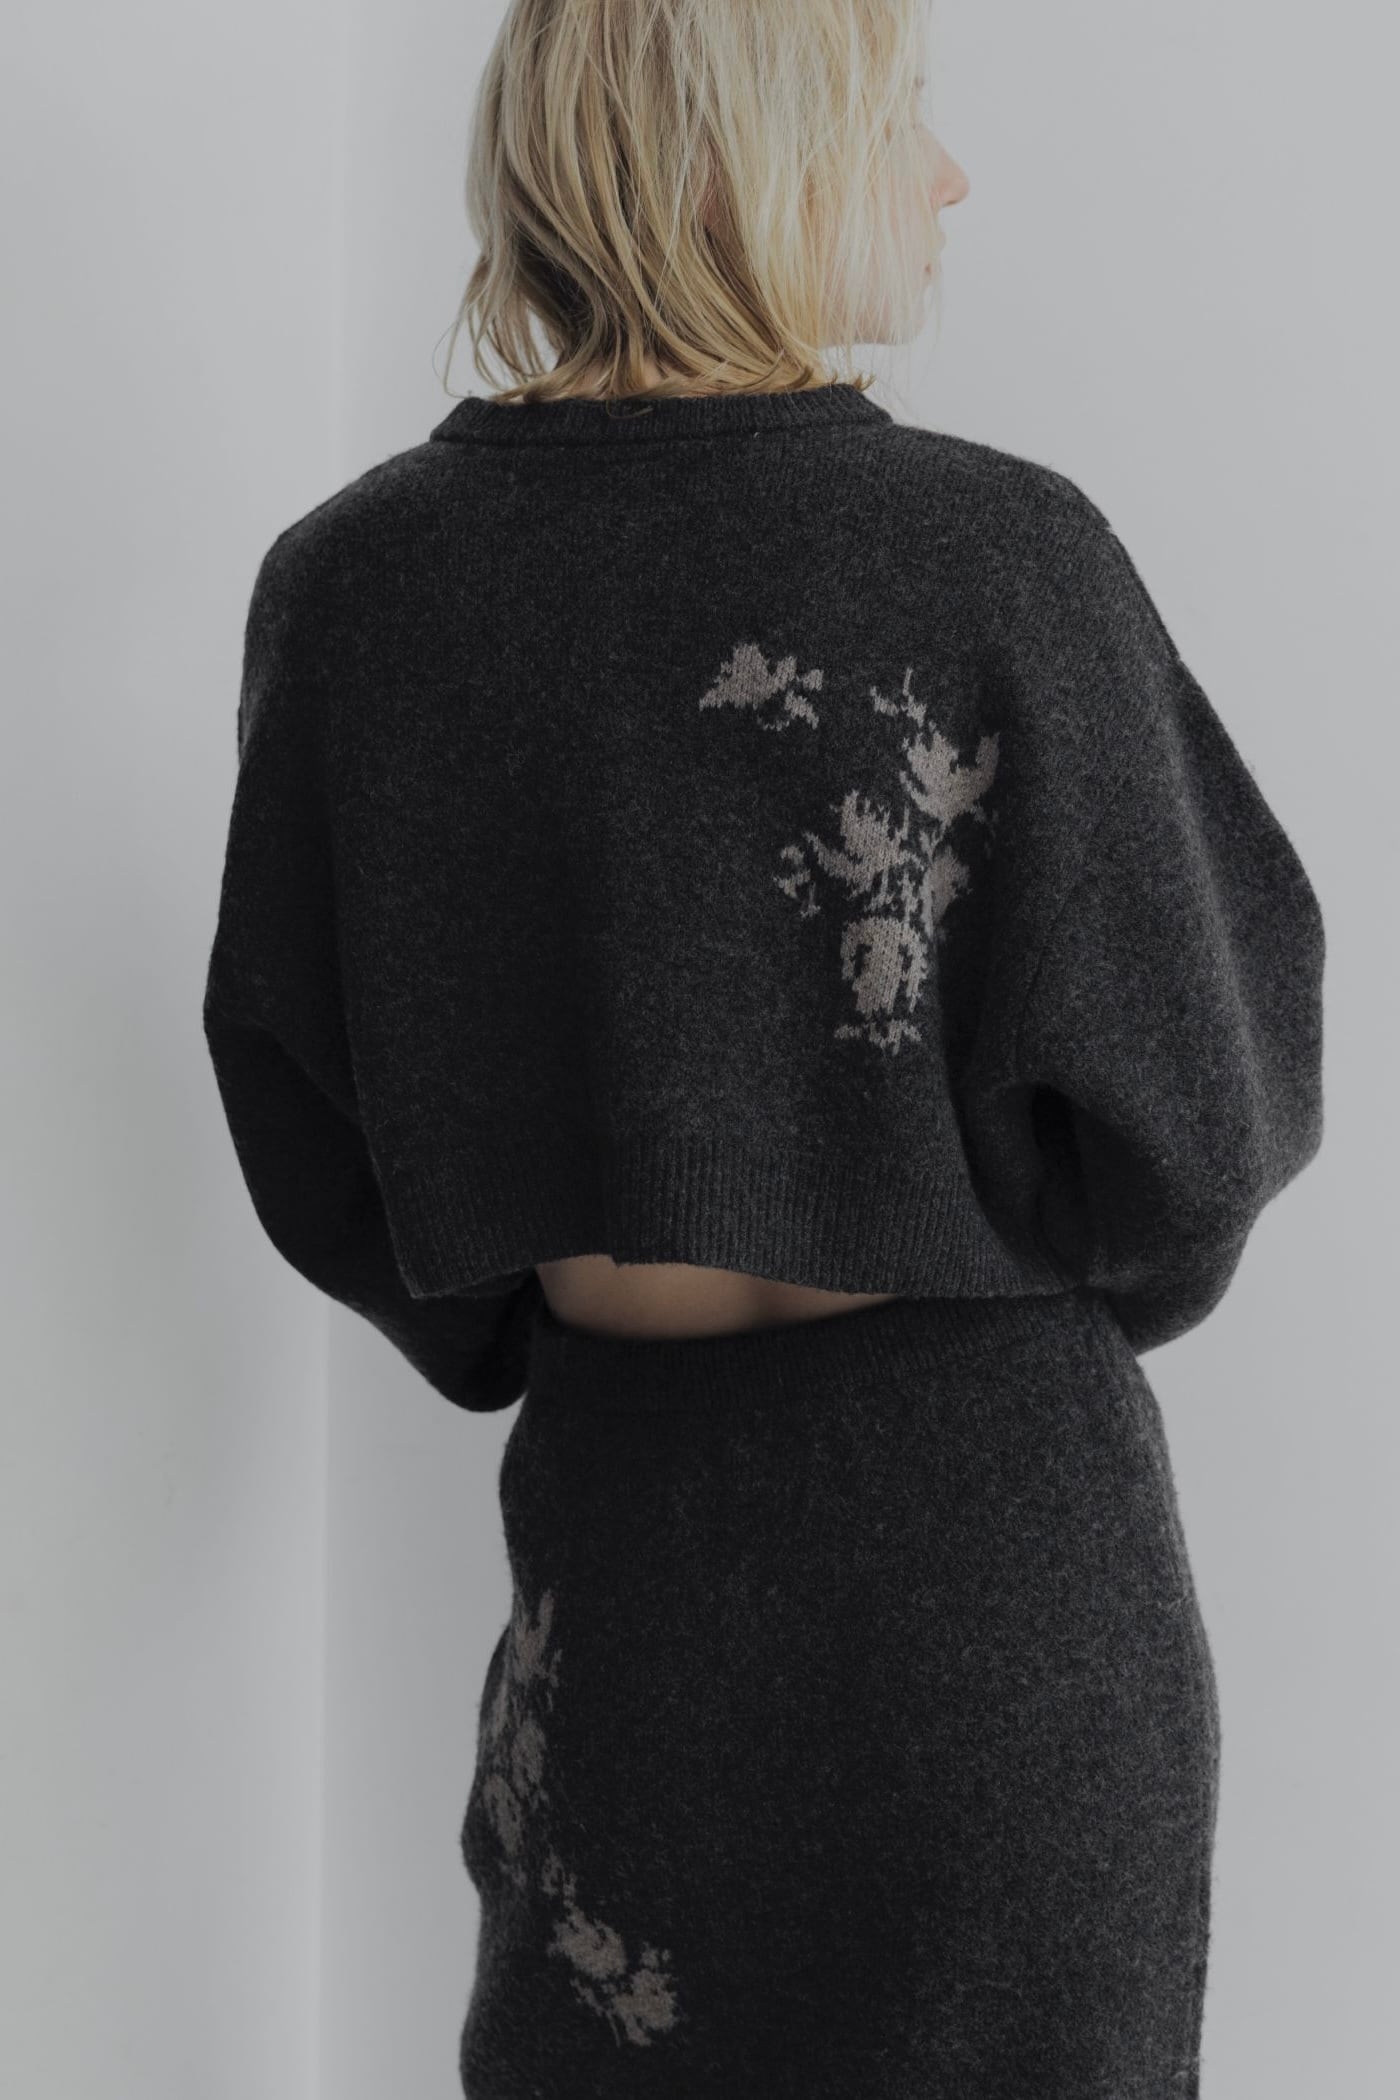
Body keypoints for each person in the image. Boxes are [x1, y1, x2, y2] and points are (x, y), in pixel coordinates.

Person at [200, 1, 1326, 2092]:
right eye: (904, 121)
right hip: (986, 1549)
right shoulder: (1002, 553)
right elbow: (1197, 1101)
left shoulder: (353, 586)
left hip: (621, 1524)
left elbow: (307, 1103)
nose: (948, 181)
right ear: (759, 152)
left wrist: (546, 1278)